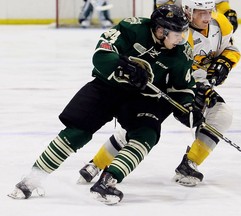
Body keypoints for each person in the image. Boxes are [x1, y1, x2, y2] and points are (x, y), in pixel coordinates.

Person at [9, 5, 204, 204]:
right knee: (78, 130)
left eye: (184, 32)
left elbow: (182, 88)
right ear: (161, 30)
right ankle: (30, 180)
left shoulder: (182, 53)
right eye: (178, 34)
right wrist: (122, 66)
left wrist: (188, 108)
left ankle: (107, 181)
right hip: (108, 87)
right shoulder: (132, 28)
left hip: (143, 99)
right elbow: (101, 55)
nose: (181, 38)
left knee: (147, 134)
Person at [76, 0, 241, 188]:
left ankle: (189, 164)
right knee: (140, 126)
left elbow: (231, 48)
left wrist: (225, 63)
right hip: (165, 87)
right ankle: (97, 163)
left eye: (209, 11)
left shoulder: (221, 24)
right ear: (188, 11)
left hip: (190, 87)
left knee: (222, 115)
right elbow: (180, 71)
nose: (206, 17)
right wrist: (201, 86)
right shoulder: (177, 32)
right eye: (200, 12)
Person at [153, 0, 238, 32]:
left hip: (203, 20)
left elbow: (220, 2)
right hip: (182, 24)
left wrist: (227, 12)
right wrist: (175, 16)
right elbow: (163, 6)